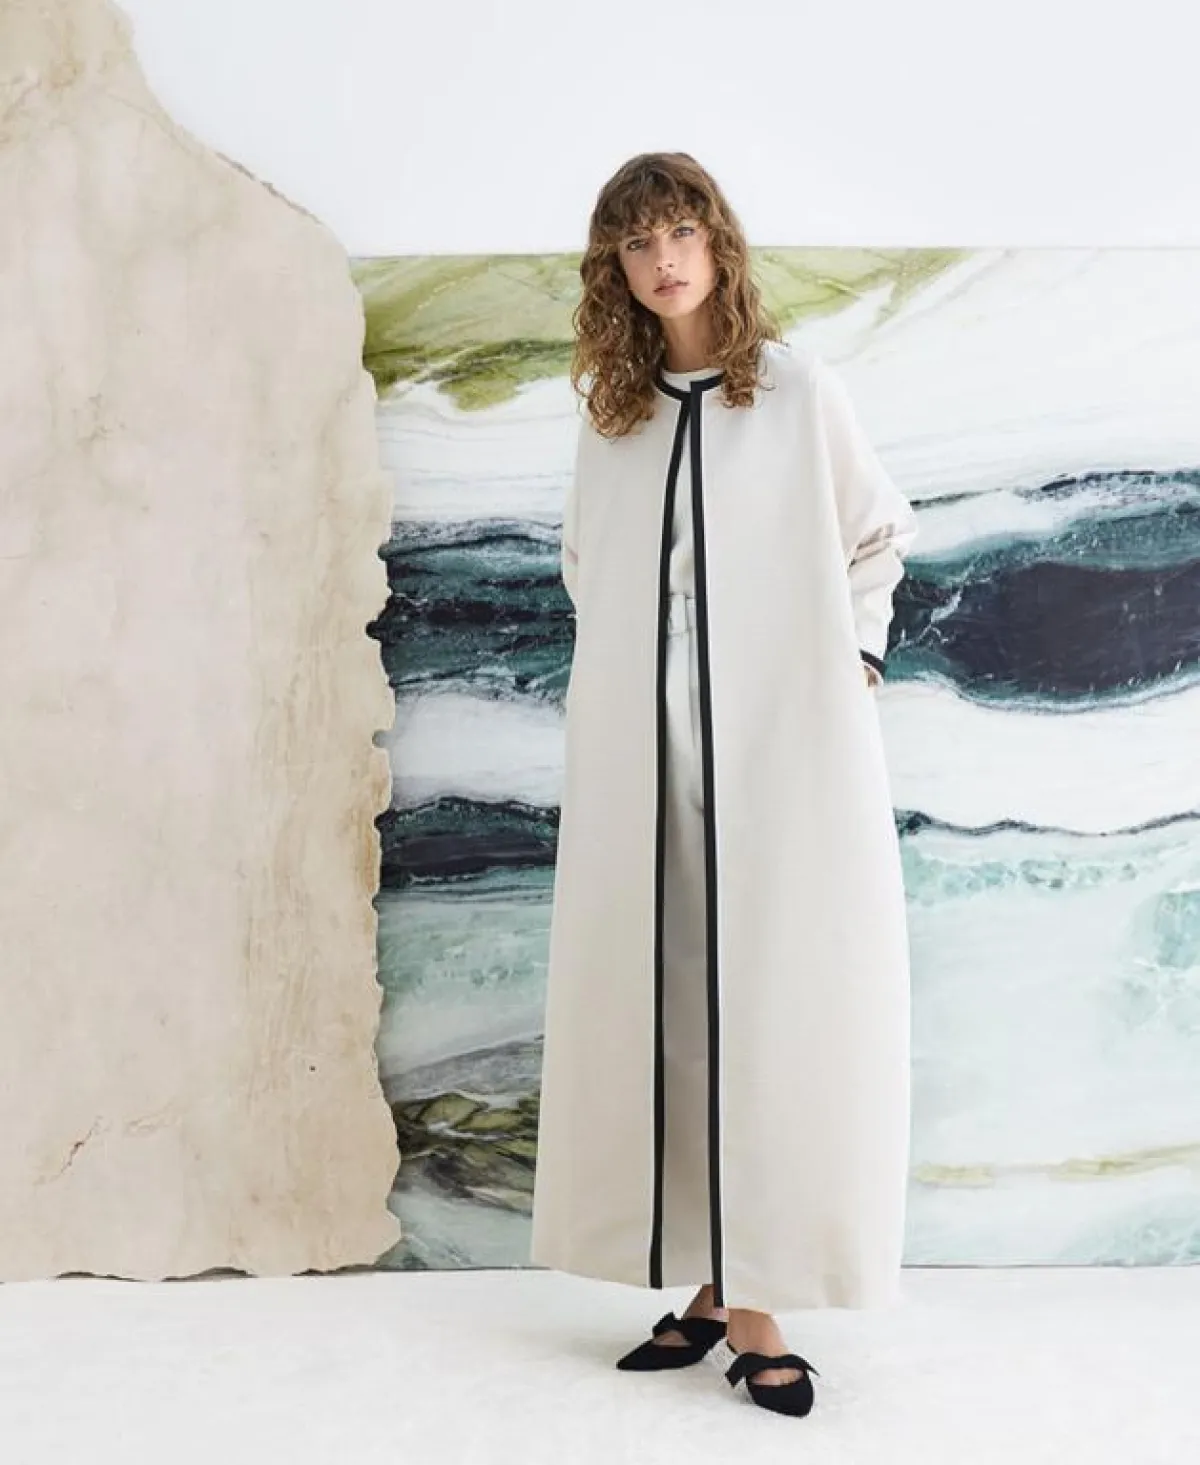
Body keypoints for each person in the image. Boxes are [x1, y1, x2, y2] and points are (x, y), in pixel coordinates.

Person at [529, 152, 918, 1419]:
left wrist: (852, 666)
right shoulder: (613, 415)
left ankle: (756, 1303)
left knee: (773, 1010)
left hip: (781, 757)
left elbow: (877, 535)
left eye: (681, 232)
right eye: (639, 242)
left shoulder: (797, 391)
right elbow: (588, 567)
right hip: (646, 762)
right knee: (672, 1009)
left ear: (718, 243)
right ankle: (709, 1285)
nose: (664, 260)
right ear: (616, 268)